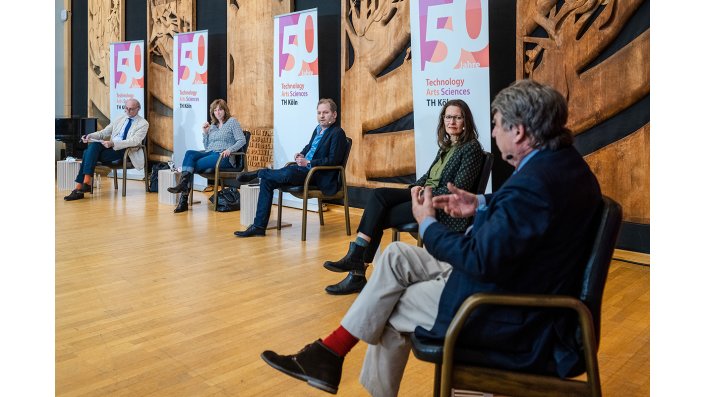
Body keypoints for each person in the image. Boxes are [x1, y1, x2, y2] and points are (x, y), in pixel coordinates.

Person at [259, 80, 603, 396]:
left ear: (520, 131)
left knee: (393, 306)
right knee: (396, 255)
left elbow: (477, 259)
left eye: (497, 124)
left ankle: (340, 363)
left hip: (507, 309)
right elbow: (521, 212)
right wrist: (480, 202)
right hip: (512, 279)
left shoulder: (535, 185)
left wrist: (427, 225)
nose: (494, 133)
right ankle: (330, 352)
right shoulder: (560, 165)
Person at [322, 99, 485, 295]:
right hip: (423, 195)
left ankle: (356, 271)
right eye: (448, 117)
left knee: (378, 216)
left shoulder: (471, 148)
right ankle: (357, 256)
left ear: (466, 120)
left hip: (438, 205)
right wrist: (416, 187)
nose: (452, 121)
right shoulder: (447, 146)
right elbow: (429, 176)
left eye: (457, 117)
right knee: (378, 195)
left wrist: (423, 193)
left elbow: (458, 189)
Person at [234, 98, 347, 237]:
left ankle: (258, 173)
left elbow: (333, 160)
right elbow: (310, 147)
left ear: (334, 115)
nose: (321, 116)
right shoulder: (318, 130)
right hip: (305, 170)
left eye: (326, 112)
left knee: (287, 173)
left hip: (317, 175)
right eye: (319, 113)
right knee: (268, 181)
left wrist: (309, 163)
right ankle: (259, 226)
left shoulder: (337, 133)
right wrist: (302, 154)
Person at [167, 99, 246, 213]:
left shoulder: (232, 122)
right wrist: (205, 133)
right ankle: (183, 187)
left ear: (225, 110)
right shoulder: (213, 126)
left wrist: (230, 149)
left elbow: (242, 140)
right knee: (189, 153)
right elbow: (207, 146)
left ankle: (183, 199)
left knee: (191, 166)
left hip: (224, 157)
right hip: (210, 152)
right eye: (215, 110)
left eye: (220, 110)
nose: (218, 112)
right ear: (212, 112)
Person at [64, 98, 149, 201]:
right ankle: (86, 182)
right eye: (126, 108)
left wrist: (113, 143)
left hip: (125, 150)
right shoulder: (120, 119)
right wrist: (89, 136)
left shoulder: (143, 123)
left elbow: (134, 141)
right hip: (111, 147)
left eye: (131, 109)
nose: (128, 111)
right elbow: (103, 133)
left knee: (87, 153)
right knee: (93, 146)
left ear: (138, 109)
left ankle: (79, 187)